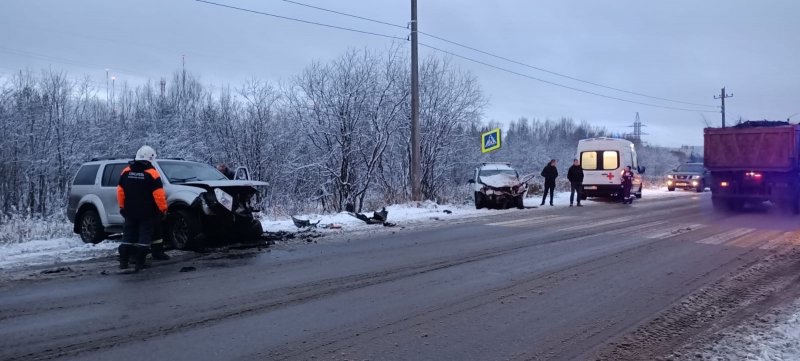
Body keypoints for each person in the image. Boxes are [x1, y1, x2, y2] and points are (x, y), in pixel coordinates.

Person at [117, 145, 168, 271]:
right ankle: (140, 263)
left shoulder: (126, 171)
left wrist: (122, 207)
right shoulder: (152, 173)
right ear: (150, 158)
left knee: (127, 236)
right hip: (147, 212)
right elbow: (159, 195)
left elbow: (120, 191)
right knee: (144, 237)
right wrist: (163, 209)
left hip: (129, 211)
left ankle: (123, 262)